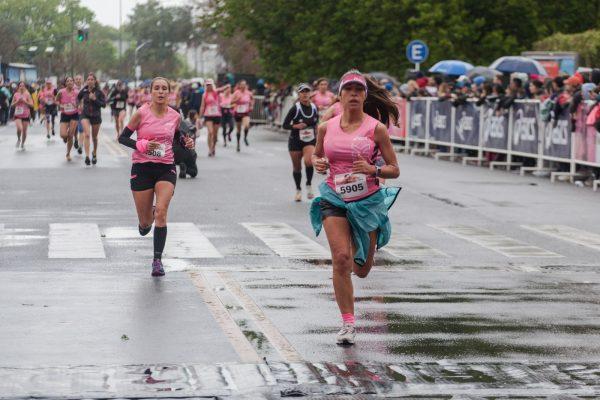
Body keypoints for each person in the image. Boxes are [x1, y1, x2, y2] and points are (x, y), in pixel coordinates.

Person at [310, 70, 400, 345]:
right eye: (348, 90)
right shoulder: (326, 127)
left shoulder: (376, 129)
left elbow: (394, 169)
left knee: (361, 269)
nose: (353, 95)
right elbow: (317, 154)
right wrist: (318, 162)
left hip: (367, 202)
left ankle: (359, 251)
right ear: (340, 95)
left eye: (358, 91)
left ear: (364, 96)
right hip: (334, 198)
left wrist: (373, 169)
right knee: (340, 259)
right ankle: (348, 324)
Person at [118, 77, 195, 277]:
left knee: (161, 213)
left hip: (165, 168)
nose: (161, 92)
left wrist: (187, 143)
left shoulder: (175, 115)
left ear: (169, 93)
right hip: (142, 168)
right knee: (145, 224)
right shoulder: (141, 113)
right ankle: (146, 218)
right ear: (150, 92)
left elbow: (179, 136)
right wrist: (141, 145)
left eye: (164, 89)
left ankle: (157, 261)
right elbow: (122, 137)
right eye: (157, 88)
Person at [283, 83, 318, 201]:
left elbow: (315, 123)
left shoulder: (314, 107)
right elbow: (285, 125)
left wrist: (318, 137)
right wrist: (296, 126)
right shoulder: (295, 108)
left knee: (309, 162)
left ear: (310, 94)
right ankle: (298, 189)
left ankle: (308, 184)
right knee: (297, 168)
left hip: (309, 140)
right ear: (299, 94)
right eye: (302, 92)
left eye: (307, 91)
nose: (305, 94)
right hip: (295, 140)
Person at [77, 73, 106, 166]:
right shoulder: (84, 90)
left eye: (91, 79)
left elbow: (104, 105)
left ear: (95, 81)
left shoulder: (99, 92)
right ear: (86, 81)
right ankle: (87, 156)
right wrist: (79, 104)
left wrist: (94, 99)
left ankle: (94, 153)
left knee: (94, 137)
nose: (89, 81)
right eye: (88, 79)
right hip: (85, 115)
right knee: (87, 135)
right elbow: (78, 97)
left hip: (96, 116)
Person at [56, 77, 79, 161]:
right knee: (63, 135)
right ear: (65, 83)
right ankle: (65, 138)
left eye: (71, 81)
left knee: (70, 135)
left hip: (74, 115)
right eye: (68, 81)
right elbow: (56, 100)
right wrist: (60, 105)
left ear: (73, 83)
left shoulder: (77, 92)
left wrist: (76, 105)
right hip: (64, 114)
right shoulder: (61, 92)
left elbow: (80, 103)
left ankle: (68, 153)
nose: (69, 82)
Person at [199, 79, 223, 157]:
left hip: (217, 115)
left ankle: (213, 147)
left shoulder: (216, 92)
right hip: (208, 115)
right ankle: (210, 149)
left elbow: (221, 89)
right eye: (207, 85)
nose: (208, 86)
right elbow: (202, 106)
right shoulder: (204, 94)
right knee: (210, 132)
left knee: (215, 134)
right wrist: (200, 117)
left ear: (212, 85)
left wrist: (228, 86)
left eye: (210, 84)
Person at [231, 80, 254, 152]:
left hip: (245, 112)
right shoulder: (236, 92)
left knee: (246, 125)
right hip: (237, 112)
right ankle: (238, 144)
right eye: (242, 85)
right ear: (239, 85)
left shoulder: (249, 93)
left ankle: (245, 137)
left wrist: (251, 106)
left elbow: (252, 99)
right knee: (238, 129)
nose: (243, 86)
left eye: (244, 85)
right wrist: (236, 100)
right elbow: (231, 102)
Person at [11, 81, 33, 150]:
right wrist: (17, 102)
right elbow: (12, 105)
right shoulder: (16, 94)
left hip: (26, 115)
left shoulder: (27, 94)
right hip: (17, 114)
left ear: (25, 87)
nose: (21, 87)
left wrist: (25, 101)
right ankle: (18, 139)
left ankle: (23, 143)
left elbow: (32, 105)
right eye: (20, 86)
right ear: (18, 87)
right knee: (19, 128)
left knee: (24, 130)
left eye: (23, 86)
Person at [73, 74, 84, 155]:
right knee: (74, 129)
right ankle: (76, 139)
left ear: (82, 80)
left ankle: (80, 146)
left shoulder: (85, 89)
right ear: (74, 80)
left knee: (81, 129)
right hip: (73, 112)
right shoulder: (72, 89)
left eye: (80, 79)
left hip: (82, 113)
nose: (78, 80)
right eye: (76, 79)